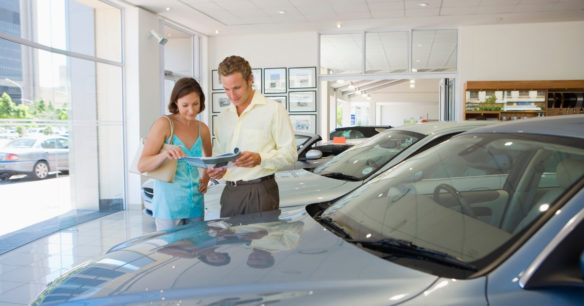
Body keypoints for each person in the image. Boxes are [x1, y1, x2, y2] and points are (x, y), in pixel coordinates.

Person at [208, 56, 297, 217]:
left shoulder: (274, 110)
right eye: (226, 89)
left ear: (250, 80)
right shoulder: (223, 117)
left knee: (261, 243)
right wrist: (217, 169)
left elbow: (290, 154)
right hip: (229, 192)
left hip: (261, 192)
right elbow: (220, 155)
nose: (232, 95)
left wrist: (260, 158)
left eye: (236, 87)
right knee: (229, 242)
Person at [137, 77, 212, 231]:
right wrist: (165, 155)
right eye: (185, 105)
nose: (191, 110)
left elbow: (208, 160)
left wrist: (205, 178)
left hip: (195, 200)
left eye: (195, 104)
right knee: (172, 251)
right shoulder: (164, 124)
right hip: (168, 203)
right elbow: (142, 165)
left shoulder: (202, 129)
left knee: (197, 248)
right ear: (175, 102)